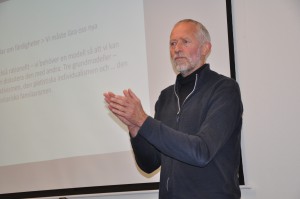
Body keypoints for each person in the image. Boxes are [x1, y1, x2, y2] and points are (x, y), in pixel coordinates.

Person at [104, 19, 243, 199]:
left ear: (205, 48)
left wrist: (144, 121)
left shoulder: (224, 89)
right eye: (172, 43)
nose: (177, 49)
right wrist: (135, 129)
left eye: (185, 42)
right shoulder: (165, 98)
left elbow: (202, 152)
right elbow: (150, 164)